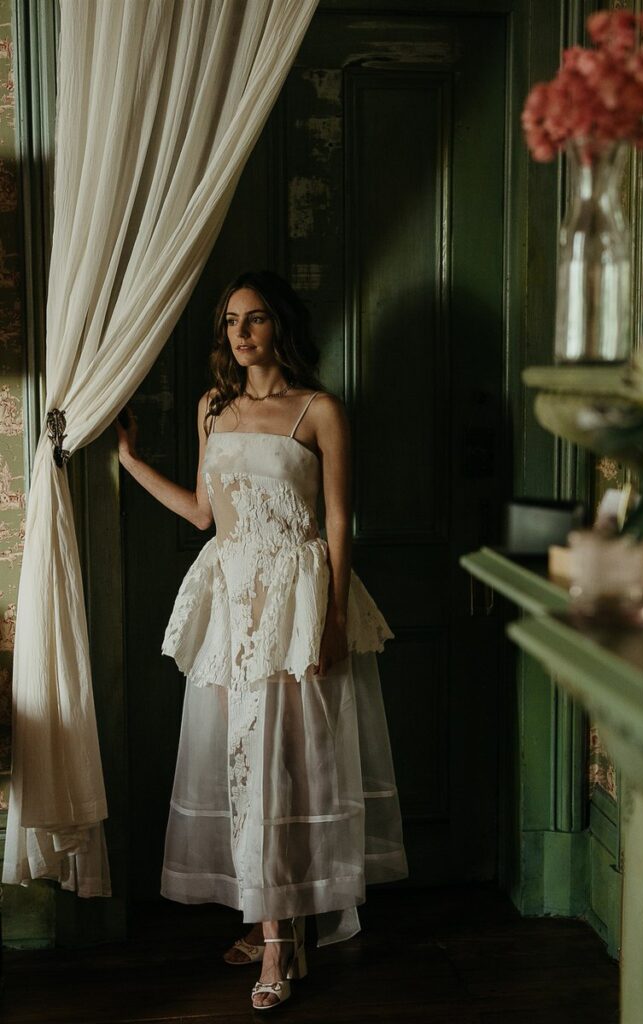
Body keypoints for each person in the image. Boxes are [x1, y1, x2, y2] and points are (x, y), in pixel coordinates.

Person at [116, 270, 408, 1011]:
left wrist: (334, 616)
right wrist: (129, 463)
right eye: (230, 323)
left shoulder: (318, 410)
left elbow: (338, 523)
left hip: (298, 599)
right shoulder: (213, 408)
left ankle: (282, 935)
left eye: (253, 320)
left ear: (278, 326)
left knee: (292, 765)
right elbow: (200, 515)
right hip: (231, 604)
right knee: (239, 761)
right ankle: (269, 921)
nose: (240, 334)